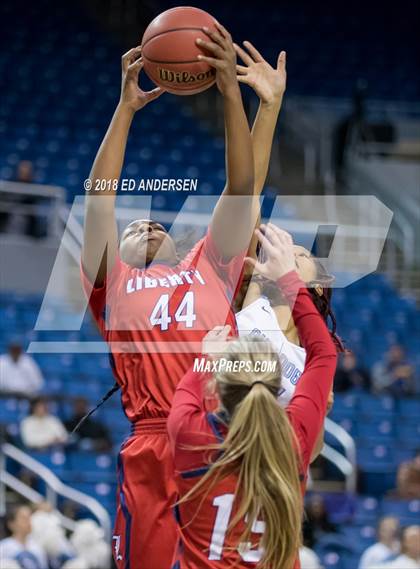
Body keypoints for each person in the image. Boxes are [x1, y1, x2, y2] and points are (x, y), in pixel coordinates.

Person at [81, 24, 260, 568]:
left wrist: (231, 92)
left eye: (158, 224)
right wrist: (125, 110)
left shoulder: (209, 264)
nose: (148, 226)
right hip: (153, 443)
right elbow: (99, 203)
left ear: (178, 242)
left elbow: (241, 187)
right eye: (137, 228)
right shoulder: (111, 287)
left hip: (216, 435)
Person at [167, 226, 338, 568]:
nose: (288, 256)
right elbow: (325, 356)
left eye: (300, 255)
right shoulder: (255, 304)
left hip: (223, 457)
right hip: (258, 455)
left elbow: (312, 450)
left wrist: (205, 361)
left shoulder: (191, 434)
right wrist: (285, 273)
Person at [232, 41, 339, 460]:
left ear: (317, 288)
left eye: (297, 254)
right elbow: (246, 194)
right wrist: (269, 107)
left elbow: (308, 455)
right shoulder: (242, 300)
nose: (282, 247)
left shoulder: (314, 360)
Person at [0, 504, 48, 569]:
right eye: (24, 518)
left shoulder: (38, 547)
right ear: (11, 524)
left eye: (30, 518)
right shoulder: (3, 547)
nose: (29, 522)